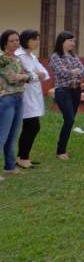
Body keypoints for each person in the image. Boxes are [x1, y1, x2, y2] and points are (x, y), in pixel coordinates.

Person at [13, 30, 50, 169]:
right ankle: (23, 158)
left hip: (34, 95)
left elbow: (45, 74)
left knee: (31, 127)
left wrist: (33, 75)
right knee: (33, 127)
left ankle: (21, 156)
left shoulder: (32, 56)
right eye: (34, 39)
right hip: (24, 96)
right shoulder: (19, 55)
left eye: (38, 39)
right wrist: (34, 75)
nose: (37, 42)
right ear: (26, 40)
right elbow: (25, 76)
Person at [48, 32, 84, 160]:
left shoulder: (73, 56)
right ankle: (60, 151)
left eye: (74, 41)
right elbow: (61, 72)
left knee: (70, 120)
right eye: (70, 41)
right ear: (62, 41)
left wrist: (73, 72)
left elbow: (83, 70)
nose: (73, 43)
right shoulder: (55, 57)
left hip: (76, 91)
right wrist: (74, 72)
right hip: (63, 91)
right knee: (69, 119)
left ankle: (62, 148)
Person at [0, 30, 31, 177]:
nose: (16, 43)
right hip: (7, 99)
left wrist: (22, 76)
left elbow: (30, 76)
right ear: (5, 43)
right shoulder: (2, 60)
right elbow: (11, 78)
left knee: (13, 135)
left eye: (17, 40)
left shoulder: (17, 59)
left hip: (19, 98)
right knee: (2, 135)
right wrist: (23, 76)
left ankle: (10, 166)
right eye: (12, 40)